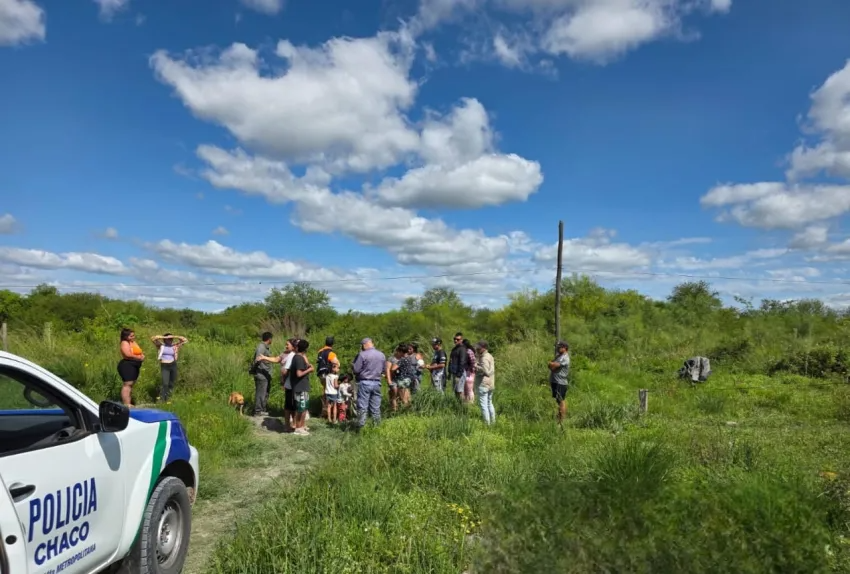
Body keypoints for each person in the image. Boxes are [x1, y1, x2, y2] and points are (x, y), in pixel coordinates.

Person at [352, 338, 386, 429]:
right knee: (375, 407)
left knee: (362, 407)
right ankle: (377, 427)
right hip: (377, 383)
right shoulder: (381, 355)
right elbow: (384, 370)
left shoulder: (362, 355)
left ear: (364, 345)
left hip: (364, 382)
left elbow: (356, 369)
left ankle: (361, 428)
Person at [151, 333, 188, 404]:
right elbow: (153, 338)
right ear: (165, 340)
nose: (170, 340)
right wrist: (164, 337)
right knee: (165, 383)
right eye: (169, 339)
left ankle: (168, 398)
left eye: (171, 339)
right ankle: (162, 399)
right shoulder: (161, 345)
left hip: (173, 364)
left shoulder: (174, 346)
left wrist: (174, 336)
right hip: (165, 365)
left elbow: (185, 340)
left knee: (171, 383)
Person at [289, 339, 314, 436]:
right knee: (301, 408)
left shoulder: (300, 357)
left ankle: (302, 426)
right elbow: (299, 374)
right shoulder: (298, 358)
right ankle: (298, 428)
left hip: (303, 386)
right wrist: (310, 370)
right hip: (300, 387)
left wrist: (308, 366)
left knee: (304, 408)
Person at [250, 332, 276, 417]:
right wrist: (255, 370)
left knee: (265, 393)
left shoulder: (266, 347)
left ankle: (263, 409)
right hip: (261, 374)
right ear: (269, 339)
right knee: (261, 393)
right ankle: (258, 411)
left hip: (266, 374)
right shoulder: (261, 347)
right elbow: (257, 360)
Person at [117, 328, 144, 406]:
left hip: (135, 365)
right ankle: (126, 404)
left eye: (133, 335)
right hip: (127, 365)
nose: (133, 337)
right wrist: (138, 358)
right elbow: (127, 354)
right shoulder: (124, 343)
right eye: (131, 336)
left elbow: (139, 351)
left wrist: (142, 355)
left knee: (131, 384)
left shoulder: (133, 342)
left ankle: (129, 403)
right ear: (125, 336)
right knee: (127, 384)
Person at [316, 336, 340, 419]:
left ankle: (324, 411)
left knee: (325, 391)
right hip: (327, 375)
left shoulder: (320, 351)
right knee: (330, 392)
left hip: (320, 374)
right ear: (332, 344)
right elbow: (336, 363)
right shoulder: (331, 353)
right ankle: (328, 413)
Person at [548, 341, 571, 426]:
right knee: (558, 400)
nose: (558, 348)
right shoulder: (559, 356)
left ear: (565, 348)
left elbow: (553, 365)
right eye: (557, 347)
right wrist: (552, 364)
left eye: (560, 347)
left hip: (560, 382)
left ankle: (561, 422)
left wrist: (552, 364)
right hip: (555, 381)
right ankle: (558, 418)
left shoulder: (565, 358)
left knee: (561, 401)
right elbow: (551, 365)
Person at [279, 338, 299, 432]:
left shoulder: (296, 355)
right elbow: (284, 370)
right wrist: (283, 381)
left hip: (295, 385)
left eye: (288, 344)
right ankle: (287, 425)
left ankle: (294, 424)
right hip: (290, 385)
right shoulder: (291, 355)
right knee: (288, 406)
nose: (286, 346)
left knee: (294, 406)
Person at [475, 340, 495, 425]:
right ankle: (493, 422)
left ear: (484, 348)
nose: (477, 349)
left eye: (479, 348)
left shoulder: (484, 357)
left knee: (484, 405)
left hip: (483, 384)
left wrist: (475, 366)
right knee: (489, 403)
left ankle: (487, 424)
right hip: (491, 384)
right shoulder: (489, 355)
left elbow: (486, 371)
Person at [393, 344, 417, 409]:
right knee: (408, 397)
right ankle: (410, 410)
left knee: (403, 398)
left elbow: (393, 368)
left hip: (402, 379)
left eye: (398, 352)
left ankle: (405, 412)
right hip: (409, 379)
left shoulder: (402, 359)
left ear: (401, 352)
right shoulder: (409, 358)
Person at [449, 332, 470, 401]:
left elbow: (462, 362)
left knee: (460, 391)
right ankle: (457, 406)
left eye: (458, 339)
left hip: (459, 373)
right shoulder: (454, 349)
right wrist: (449, 372)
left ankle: (463, 409)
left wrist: (459, 375)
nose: (455, 340)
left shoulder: (462, 349)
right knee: (455, 391)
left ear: (461, 340)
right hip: (454, 372)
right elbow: (451, 360)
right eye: (454, 339)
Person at [462, 339, 476, 404]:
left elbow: (473, 362)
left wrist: (470, 370)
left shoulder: (469, 351)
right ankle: (467, 402)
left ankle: (471, 403)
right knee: (466, 389)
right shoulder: (467, 351)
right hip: (467, 372)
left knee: (469, 389)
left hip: (470, 372)